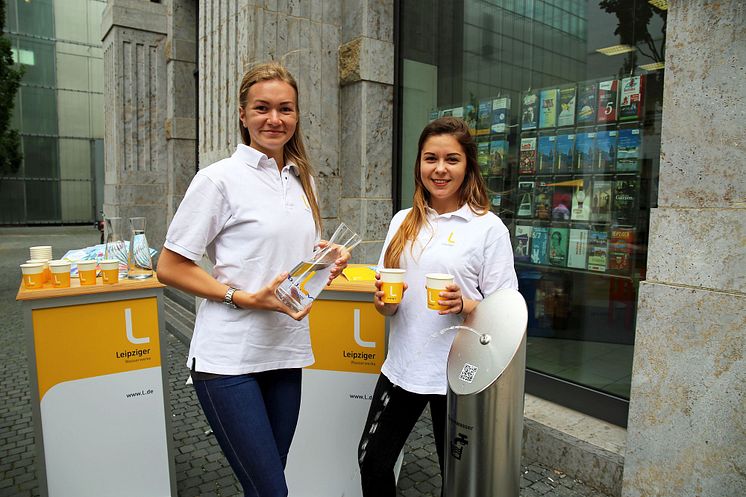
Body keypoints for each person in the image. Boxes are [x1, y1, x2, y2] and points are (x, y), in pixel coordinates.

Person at [157, 62, 349, 497]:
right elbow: (169, 266)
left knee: (267, 481)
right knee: (271, 491)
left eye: (286, 109)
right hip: (229, 360)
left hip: (285, 352)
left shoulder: (305, 182)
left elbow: (294, 263)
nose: (274, 119)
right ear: (242, 115)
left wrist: (325, 264)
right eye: (262, 108)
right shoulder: (218, 180)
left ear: (297, 116)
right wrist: (240, 296)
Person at [357, 117, 518, 496]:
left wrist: (466, 303)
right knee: (372, 463)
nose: (440, 169)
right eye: (431, 158)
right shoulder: (402, 222)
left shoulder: (488, 228)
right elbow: (390, 304)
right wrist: (383, 304)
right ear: (419, 164)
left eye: (452, 159)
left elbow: (506, 314)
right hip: (404, 367)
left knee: (458, 482)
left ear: (468, 166)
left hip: (459, 378)